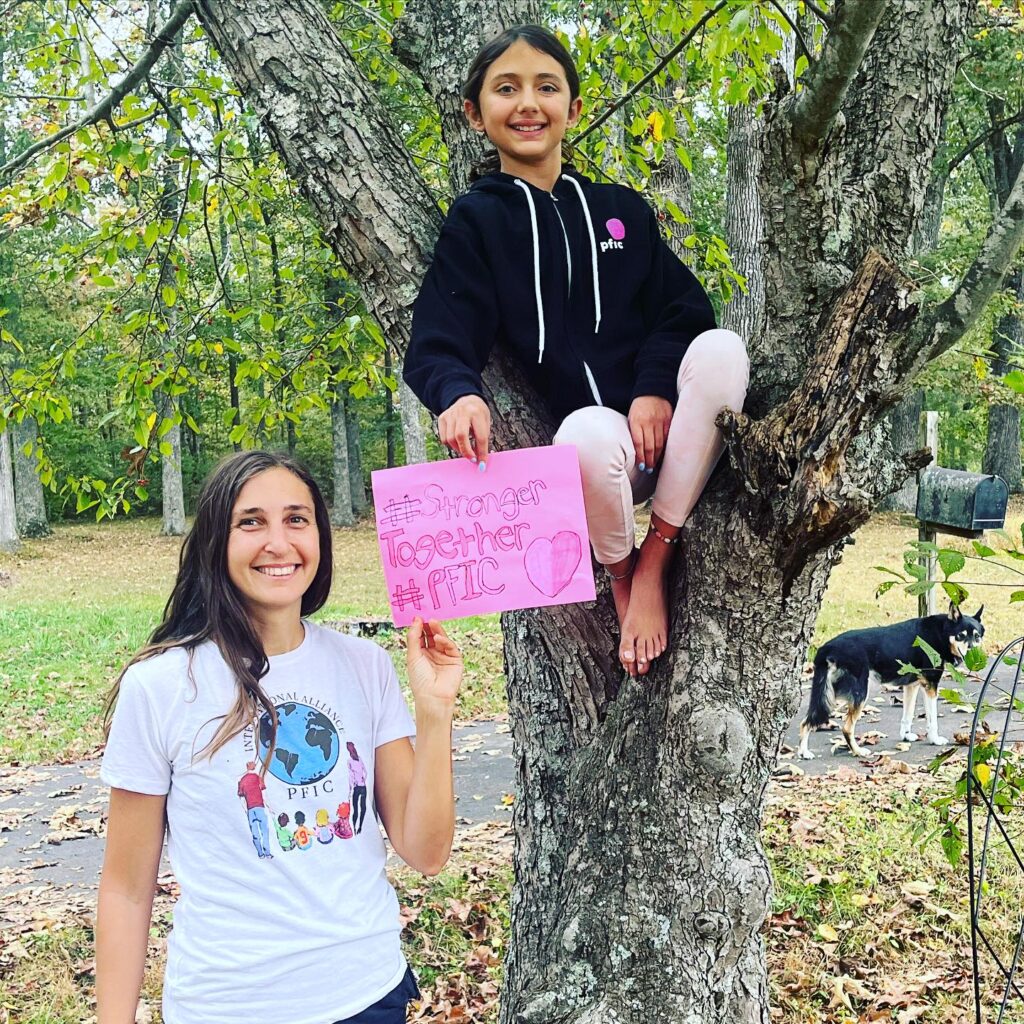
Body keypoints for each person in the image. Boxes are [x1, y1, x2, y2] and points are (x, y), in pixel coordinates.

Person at [404, 25, 749, 678]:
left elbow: (684, 311)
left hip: (673, 446)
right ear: (476, 114)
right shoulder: (477, 222)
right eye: (506, 89)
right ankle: (624, 572)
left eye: (547, 87)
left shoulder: (621, 211)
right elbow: (440, 334)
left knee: (724, 349)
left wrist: (653, 386)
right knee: (587, 432)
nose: (528, 103)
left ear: (574, 109)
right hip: (592, 462)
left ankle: (658, 555)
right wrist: (458, 394)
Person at [96, 450, 464, 1024]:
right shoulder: (162, 686)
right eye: (252, 521)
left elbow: (426, 850)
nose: (278, 541)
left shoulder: (365, 665)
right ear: (218, 541)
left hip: (367, 993)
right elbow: (125, 889)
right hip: (227, 1006)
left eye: (297, 519)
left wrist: (435, 711)